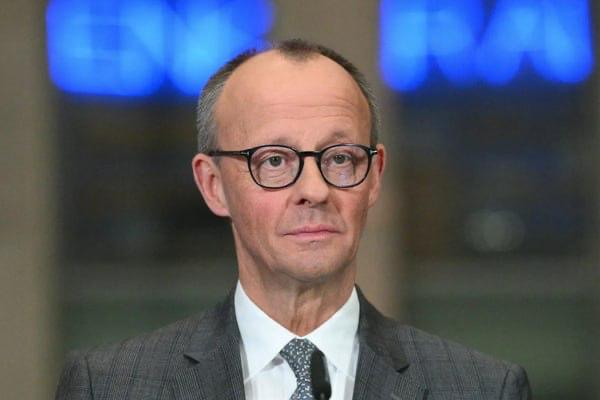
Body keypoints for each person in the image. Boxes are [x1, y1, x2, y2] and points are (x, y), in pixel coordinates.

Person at [55, 39, 532, 400]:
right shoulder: (111, 387)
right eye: (275, 161)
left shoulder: (482, 389)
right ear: (213, 185)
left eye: (340, 158)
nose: (314, 191)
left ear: (374, 177)